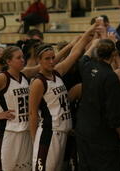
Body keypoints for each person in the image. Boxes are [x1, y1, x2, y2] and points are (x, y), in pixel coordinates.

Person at [29, 24, 96, 171]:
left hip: (62, 132)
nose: (52, 61)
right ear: (39, 60)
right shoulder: (38, 82)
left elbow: (74, 54)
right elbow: (33, 113)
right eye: (47, 58)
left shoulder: (57, 72)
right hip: (48, 133)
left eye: (53, 58)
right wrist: (35, 140)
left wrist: (89, 32)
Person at [76, 38, 120, 171]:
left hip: (83, 129)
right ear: (114, 54)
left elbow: (83, 58)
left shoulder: (87, 66)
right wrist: (118, 128)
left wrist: (93, 44)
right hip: (102, 133)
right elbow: (113, 108)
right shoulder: (110, 76)